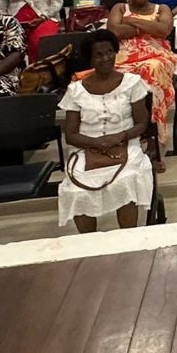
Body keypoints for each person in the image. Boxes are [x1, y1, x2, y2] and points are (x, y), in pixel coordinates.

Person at [58, 28, 153, 232]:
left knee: (125, 180)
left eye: (109, 52)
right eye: (98, 55)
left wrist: (120, 136)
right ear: (90, 59)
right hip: (86, 148)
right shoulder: (75, 90)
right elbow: (71, 135)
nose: (106, 58)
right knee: (76, 188)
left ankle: (128, 238)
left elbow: (142, 123)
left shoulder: (132, 83)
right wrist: (96, 143)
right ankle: (90, 242)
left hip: (126, 143)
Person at [100, 0, 177, 169]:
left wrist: (132, 22)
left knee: (150, 70)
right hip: (124, 56)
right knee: (114, 74)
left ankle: (152, 140)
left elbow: (163, 30)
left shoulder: (162, 8)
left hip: (156, 55)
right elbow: (114, 32)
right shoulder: (120, 8)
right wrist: (148, 26)